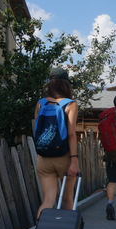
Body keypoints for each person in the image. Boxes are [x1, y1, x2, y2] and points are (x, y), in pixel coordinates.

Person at [34, 67, 80, 219]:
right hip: (64, 158)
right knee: (67, 198)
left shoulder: (40, 104)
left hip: (44, 159)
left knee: (47, 201)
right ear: (66, 84)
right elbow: (71, 134)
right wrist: (74, 160)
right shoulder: (70, 104)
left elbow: (36, 130)